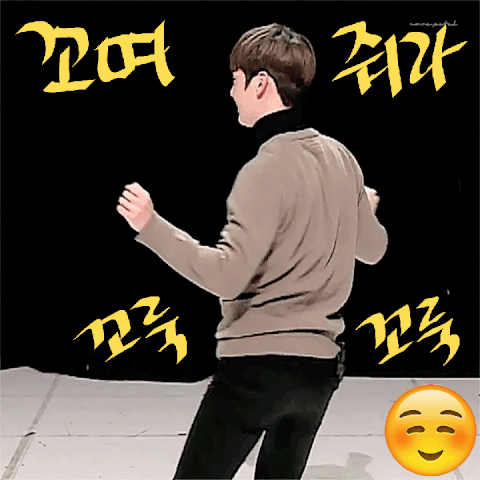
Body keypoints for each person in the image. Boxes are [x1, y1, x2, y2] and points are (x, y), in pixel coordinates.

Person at [117, 23, 387, 480]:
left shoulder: (264, 170)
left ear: (260, 84)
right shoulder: (342, 157)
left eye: (235, 80)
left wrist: (151, 226)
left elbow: (227, 276)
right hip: (318, 374)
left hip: (255, 370)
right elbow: (373, 249)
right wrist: (363, 208)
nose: (231, 91)